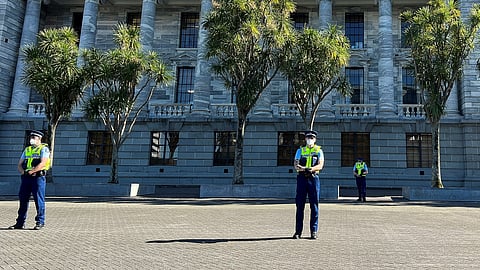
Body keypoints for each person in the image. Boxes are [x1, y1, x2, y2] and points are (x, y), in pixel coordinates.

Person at [9, 130, 50, 230]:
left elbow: (43, 163)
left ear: (39, 139)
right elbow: (19, 164)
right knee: (23, 199)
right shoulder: (27, 150)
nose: (31, 139)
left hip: (38, 178)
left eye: (34, 138)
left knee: (38, 200)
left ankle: (40, 222)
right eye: (31, 137)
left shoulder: (43, 149)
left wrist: (32, 171)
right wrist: (23, 172)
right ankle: (20, 222)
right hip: (26, 178)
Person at [292, 130, 324, 240]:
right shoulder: (300, 150)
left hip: (313, 178)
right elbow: (296, 164)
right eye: (308, 137)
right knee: (300, 205)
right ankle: (298, 232)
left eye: (312, 138)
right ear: (305, 139)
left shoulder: (318, 150)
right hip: (302, 178)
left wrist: (311, 169)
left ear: (315, 139)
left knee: (314, 206)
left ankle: (313, 231)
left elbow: (320, 165)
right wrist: (303, 169)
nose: (310, 139)